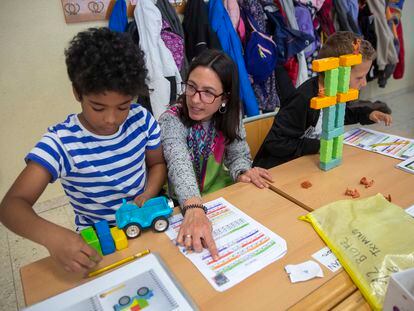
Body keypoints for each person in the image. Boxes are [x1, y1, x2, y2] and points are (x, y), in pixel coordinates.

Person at [0, 28, 166, 274]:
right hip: (98, 241)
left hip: (142, 229)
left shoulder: (141, 120)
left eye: (123, 106)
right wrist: (54, 238)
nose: (111, 119)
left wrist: (148, 192)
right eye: (98, 107)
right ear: (77, 92)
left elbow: (157, 164)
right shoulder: (61, 142)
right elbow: (11, 206)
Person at [159, 49, 273, 259]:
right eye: (191, 87)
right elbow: (178, 162)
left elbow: (238, 155)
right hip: (181, 204)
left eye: (208, 92)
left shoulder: (231, 115)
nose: (195, 99)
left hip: (219, 200)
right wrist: (193, 207)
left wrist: (241, 172)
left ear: (225, 99)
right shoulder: (171, 120)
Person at [254, 31, 393, 169]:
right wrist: (321, 145)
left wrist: (367, 114)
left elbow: (339, 115)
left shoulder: (335, 92)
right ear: (337, 72)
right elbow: (275, 143)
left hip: (307, 164)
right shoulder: (304, 99)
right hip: (276, 169)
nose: (364, 83)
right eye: (359, 77)